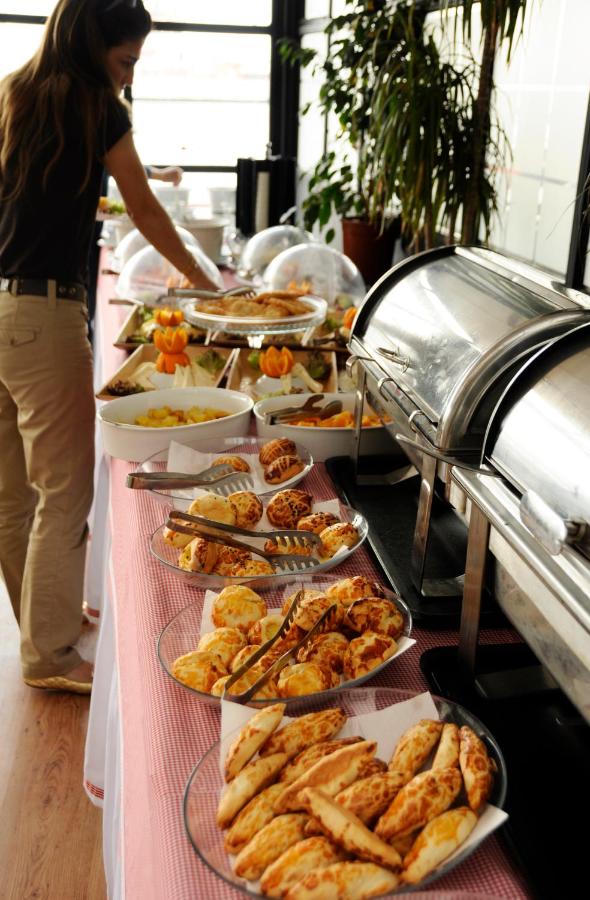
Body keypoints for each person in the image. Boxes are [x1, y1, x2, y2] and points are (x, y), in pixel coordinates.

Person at [0, 0, 218, 694]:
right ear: (93, 46)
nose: (127, 77)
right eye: (125, 61)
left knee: (12, 494)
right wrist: (203, 279)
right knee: (64, 492)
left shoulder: (14, 91)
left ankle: (45, 626)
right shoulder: (97, 106)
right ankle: (50, 654)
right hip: (43, 316)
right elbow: (144, 208)